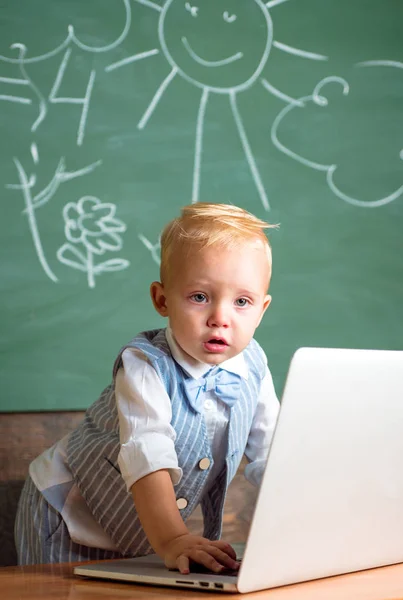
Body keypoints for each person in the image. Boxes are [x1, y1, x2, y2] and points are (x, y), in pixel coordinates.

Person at [15, 202, 280, 574]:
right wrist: (173, 540)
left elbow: (273, 456)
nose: (221, 318)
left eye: (241, 302)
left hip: (141, 532)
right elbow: (148, 457)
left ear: (262, 309)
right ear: (162, 299)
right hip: (68, 514)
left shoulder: (254, 365)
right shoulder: (143, 365)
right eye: (200, 297)